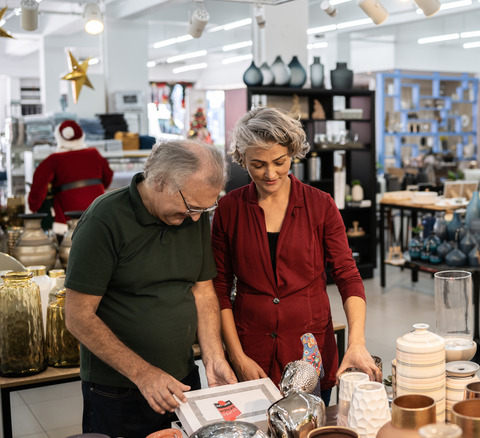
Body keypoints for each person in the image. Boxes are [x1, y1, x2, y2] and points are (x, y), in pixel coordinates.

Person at [64, 140, 237, 437]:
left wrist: (213, 356)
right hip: (118, 390)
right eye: (191, 207)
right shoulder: (104, 219)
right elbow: (78, 316)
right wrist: (143, 374)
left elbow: (202, 290)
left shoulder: (191, 213)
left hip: (183, 378)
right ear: (159, 181)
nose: (196, 217)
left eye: (205, 208)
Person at [211, 107, 381, 405]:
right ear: (242, 159)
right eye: (257, 164)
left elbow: (347, 275)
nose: (270, 173)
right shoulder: (229, 209)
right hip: (250, 348)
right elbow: (219, 288)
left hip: (309, 348)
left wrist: (357, 342)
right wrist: (237, 357)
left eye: (280, 161)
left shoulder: (320, 206)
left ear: (292, 152)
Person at [28, 120, 113, 232]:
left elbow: (38, 184)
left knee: (69, 241)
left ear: (59, 137)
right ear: (82, 136)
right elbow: (108, 175)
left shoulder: (54, 159)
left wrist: (33, 207)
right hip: (98, 206)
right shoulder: (94, 153)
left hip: (68, 210)